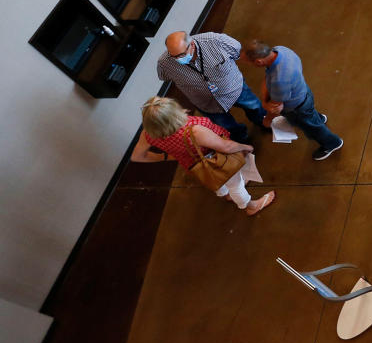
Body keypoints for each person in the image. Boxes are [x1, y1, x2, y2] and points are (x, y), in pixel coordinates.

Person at [130, 96, 275, 215]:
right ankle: (251, 206)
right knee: (236, 184)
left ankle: (226, 194)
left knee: (215, 181)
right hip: (218, 161)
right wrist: (245, 147)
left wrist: (166, 157)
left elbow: (137, 156)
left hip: (194, 165)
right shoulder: (194, 131)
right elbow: (226, 146)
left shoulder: (148, 134)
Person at [242, 40, 344, 162]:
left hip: (297, 108)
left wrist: (267, 119)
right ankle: (318, 119)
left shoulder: (279, 80)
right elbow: (268, 76)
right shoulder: (280, 49)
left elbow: (276, 107)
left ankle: (332, 143)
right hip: (304, 92)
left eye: (249, 63)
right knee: (311, 115)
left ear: (259, 61)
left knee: (312, 128)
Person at [157, 30, 267, 143]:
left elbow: (237, 52)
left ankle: (263, 122)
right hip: (207, 103)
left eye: (182, 54)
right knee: (226, 126)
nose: (179, 59)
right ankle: (241, 138)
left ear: (192, 45)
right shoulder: (164, 63)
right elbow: (164, 77)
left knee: (254, 107)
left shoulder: (217, 41)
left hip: (234, 89)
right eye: (174, 56)